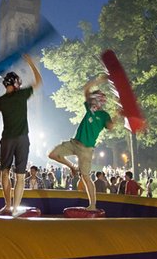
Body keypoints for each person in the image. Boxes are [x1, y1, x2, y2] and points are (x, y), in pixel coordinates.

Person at [0, 54, 42, 215]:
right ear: (15, 83)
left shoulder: (0, 101)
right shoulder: (21, 94)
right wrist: (31, 63)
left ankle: (7, 205)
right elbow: (39, 81)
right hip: (22, 139)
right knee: (20, 176)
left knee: (5, 172)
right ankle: (15, 208)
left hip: (7, 140)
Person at [47, 76, 115, 212]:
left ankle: (92, 205)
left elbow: (110, 126)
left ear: (99, 101)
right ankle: (72, 167)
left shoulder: (104, 115)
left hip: (86, 150)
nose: (92, 101)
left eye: (94, 99)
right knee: (52, 154)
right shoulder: (89, 108)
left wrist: (118, 115)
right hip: (74, 143)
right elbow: (86, 89)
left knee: (85, 177)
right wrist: (99, 80)